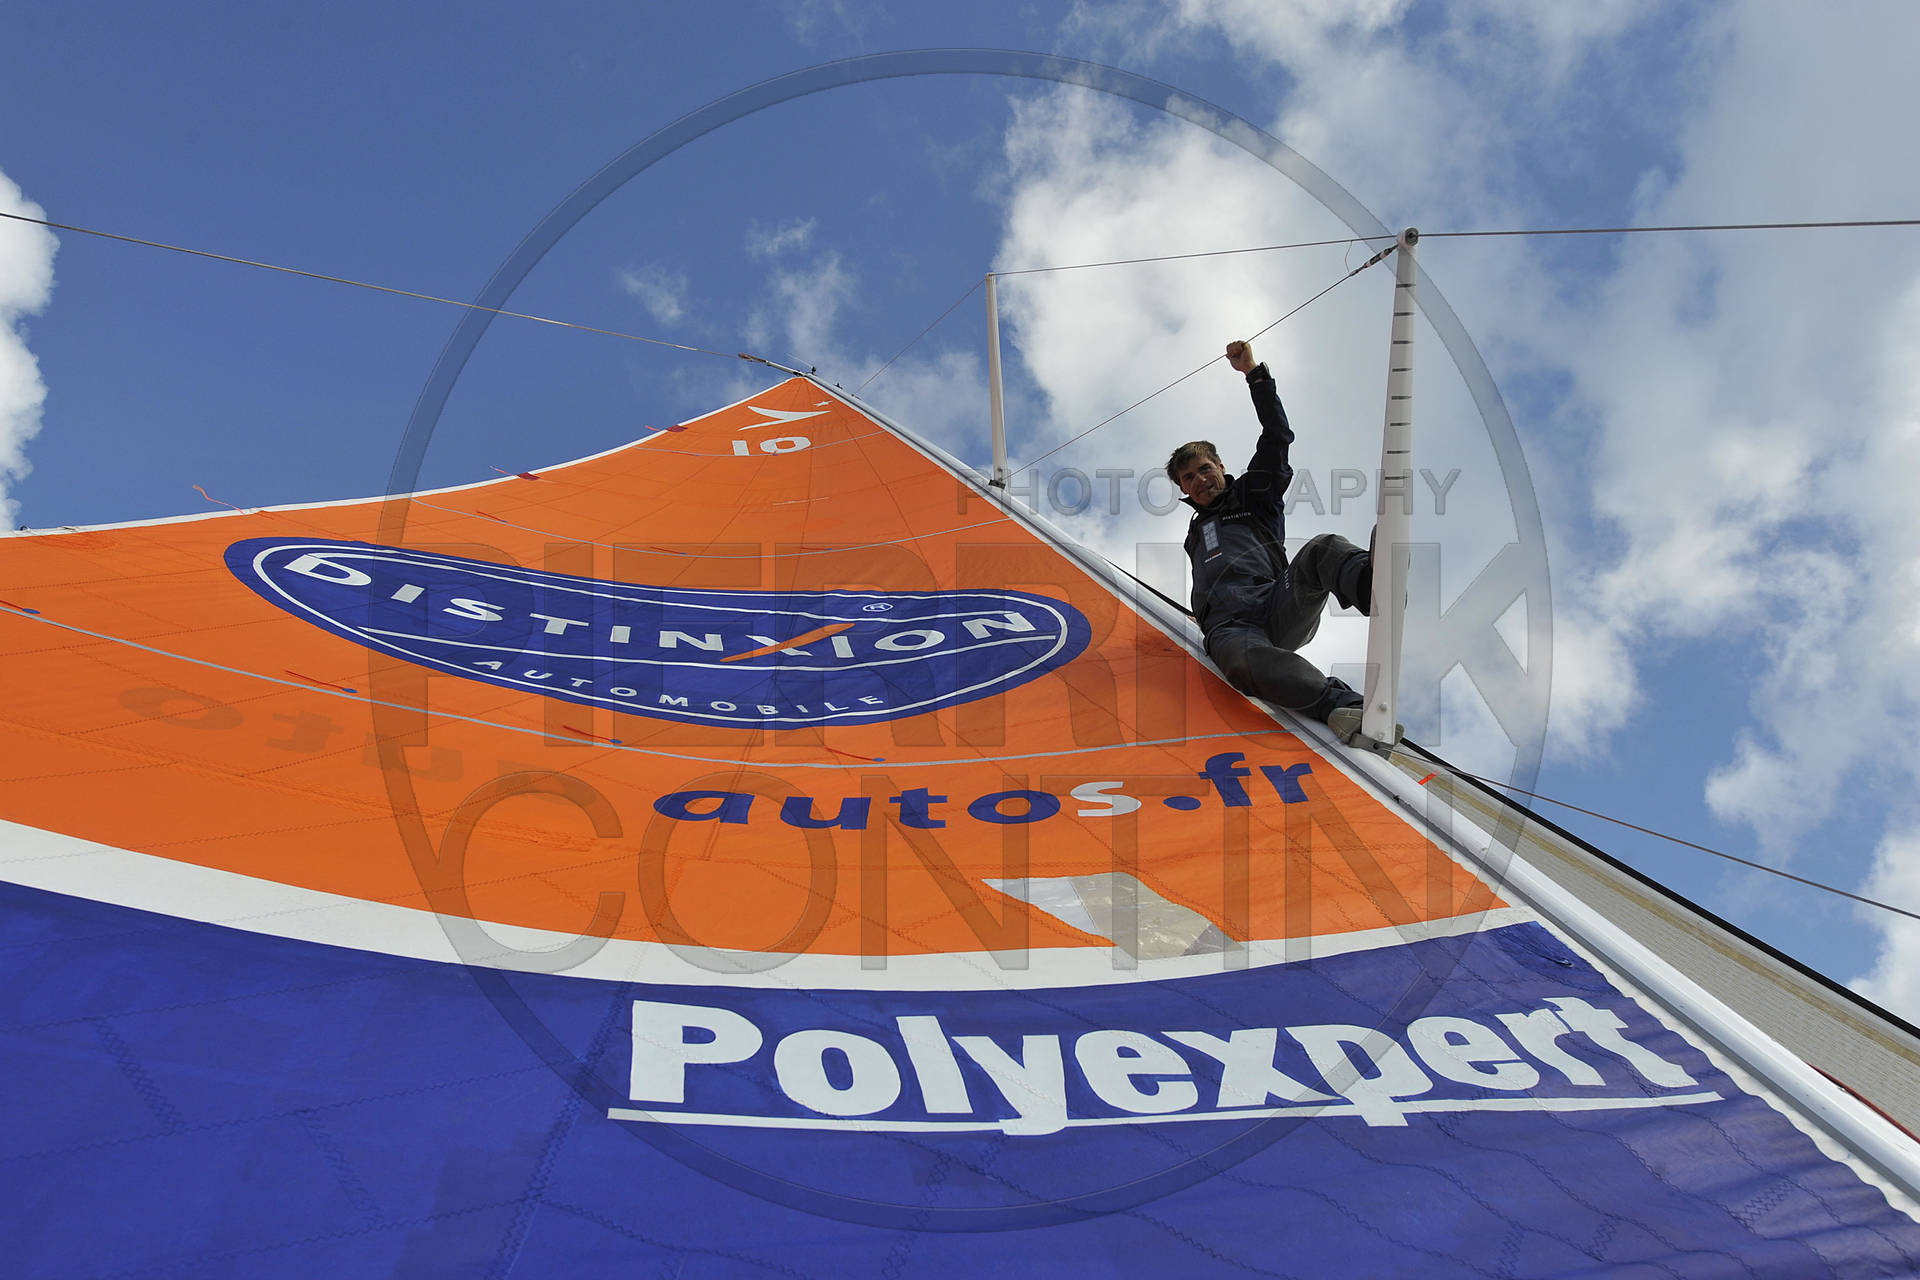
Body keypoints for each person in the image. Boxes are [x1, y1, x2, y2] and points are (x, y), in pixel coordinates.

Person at [1167, 339, 1375, 739]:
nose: (1200, 479)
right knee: (1240, 664)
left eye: (1205, 468)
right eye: (1189, 477)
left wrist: (1254, 375)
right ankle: (1339, 705)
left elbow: (1277, 436)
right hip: (1231, 628)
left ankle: (1369, 581)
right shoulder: (1194, 535)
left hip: (1277, 601)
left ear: (1220, 466)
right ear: (1184, 488)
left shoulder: (1253, 494)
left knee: (1322, 548)